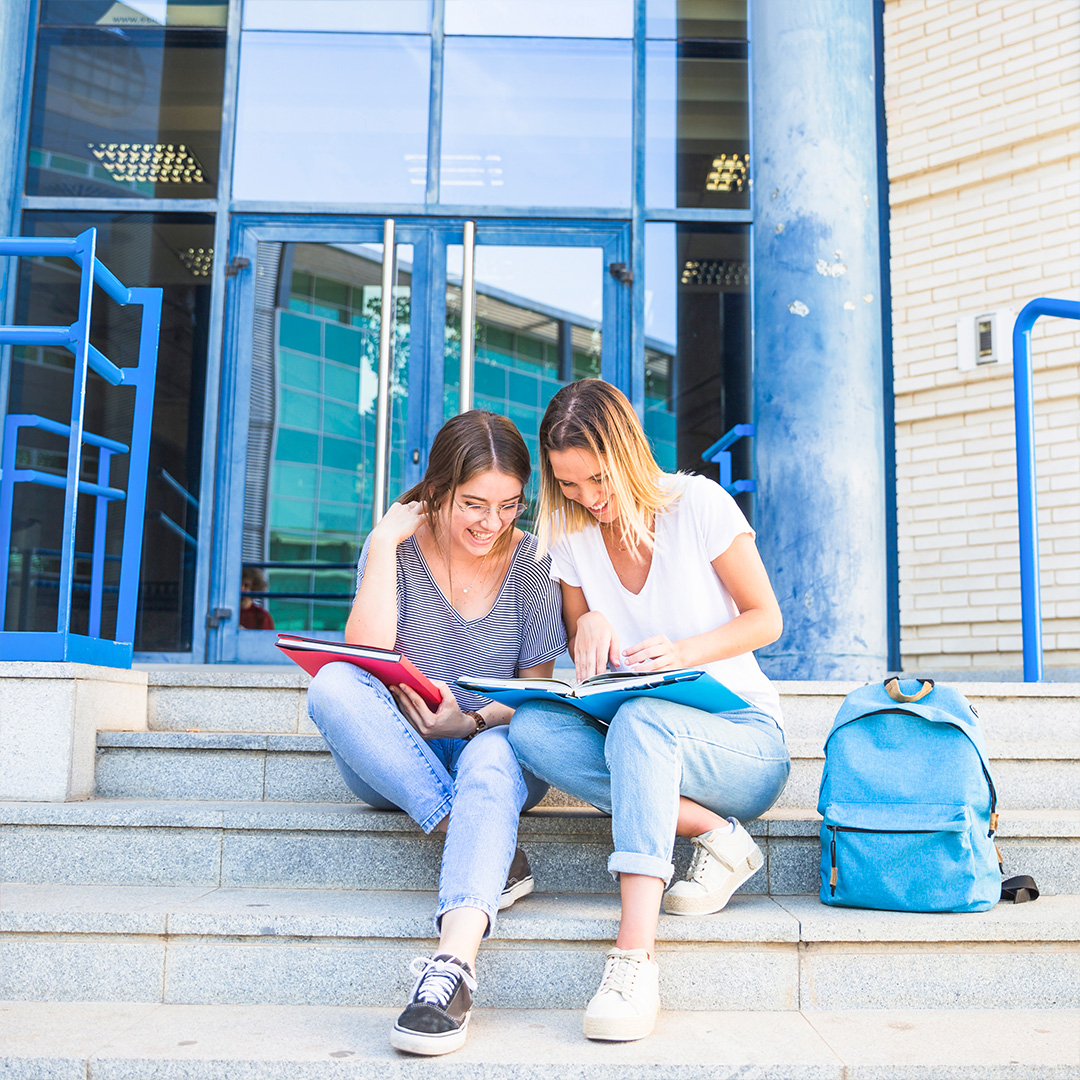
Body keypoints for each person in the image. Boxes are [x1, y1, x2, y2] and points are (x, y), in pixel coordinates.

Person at [508, 379, 789, 1043]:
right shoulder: (573, 533)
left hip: (742, 742)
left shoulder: (700, 504)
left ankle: (633, 959)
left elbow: (766, 619)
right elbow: (583, 639)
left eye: (598, 480)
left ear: (630, 451)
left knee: (642, 721)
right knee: (532, 728)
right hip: (642, 737)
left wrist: (681, 653)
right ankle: (713, 835)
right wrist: (591, 625)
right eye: (570, 485)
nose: (589, 500)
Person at [305, 411, 565, 1056]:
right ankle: (481, 838)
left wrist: (471, 720)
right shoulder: (394, 546)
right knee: (331, 686)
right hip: (401, 757)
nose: (490, 522)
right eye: (472, 503)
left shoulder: (532, 559)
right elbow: (364, 653)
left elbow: (537, 692)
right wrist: (384, 544)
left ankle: (450, 970)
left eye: (508, 505)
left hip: (492, 745)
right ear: (436, 490)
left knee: (491, 754)